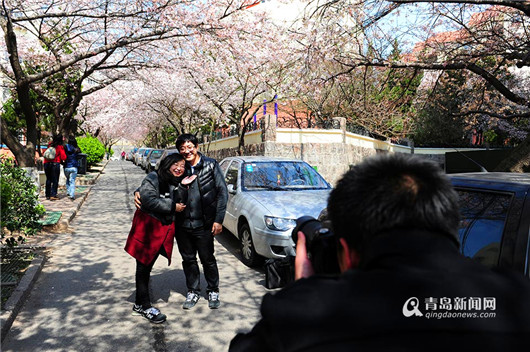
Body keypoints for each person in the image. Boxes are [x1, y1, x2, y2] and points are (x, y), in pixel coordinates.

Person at [229, 153, 530, 351]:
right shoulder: (518, 300)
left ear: (345, 253)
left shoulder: (304, 317)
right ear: (456, 224)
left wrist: (307, 292)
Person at [135, 134, 228, 310]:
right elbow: (159, 178)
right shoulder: (179, 168)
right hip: (182, 224)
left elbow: (222, 192)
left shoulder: (211, 165)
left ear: (197, 146)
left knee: (207, 258)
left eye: (190, 147)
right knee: (188, 259)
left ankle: (213, 289)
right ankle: (193, 290)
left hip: (205, 222)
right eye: (183, 148)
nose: (187, 151)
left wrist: (218, 220)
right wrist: (138, 190)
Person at [125, 153, 195, 323]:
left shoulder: (178, 181)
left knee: (146, 266)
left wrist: (183, 187)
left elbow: (181, 200)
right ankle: (143, 305)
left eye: (182, 166)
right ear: (167, 164)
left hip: (162, 230)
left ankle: (140, 303)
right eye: (176, 165)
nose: (179, 169)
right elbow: (148, 199)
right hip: (148, 228)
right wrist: (172, 206)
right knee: (143, 266)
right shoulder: (154, 177)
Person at [43, 134, 67, 201]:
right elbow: (63, 157)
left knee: (48, 179)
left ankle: (47, 194)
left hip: (46, 163)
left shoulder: (49, 144)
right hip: (55, 164)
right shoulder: (60, 146)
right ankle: (53, 195)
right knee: (55, 180)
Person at [63, 136, 80, 200]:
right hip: (74, 167)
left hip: (67, 166)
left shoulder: (65, 147)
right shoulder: (77, 148)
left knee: (68, 179)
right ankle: (72, 194)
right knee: (72, 180)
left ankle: (68, 191)